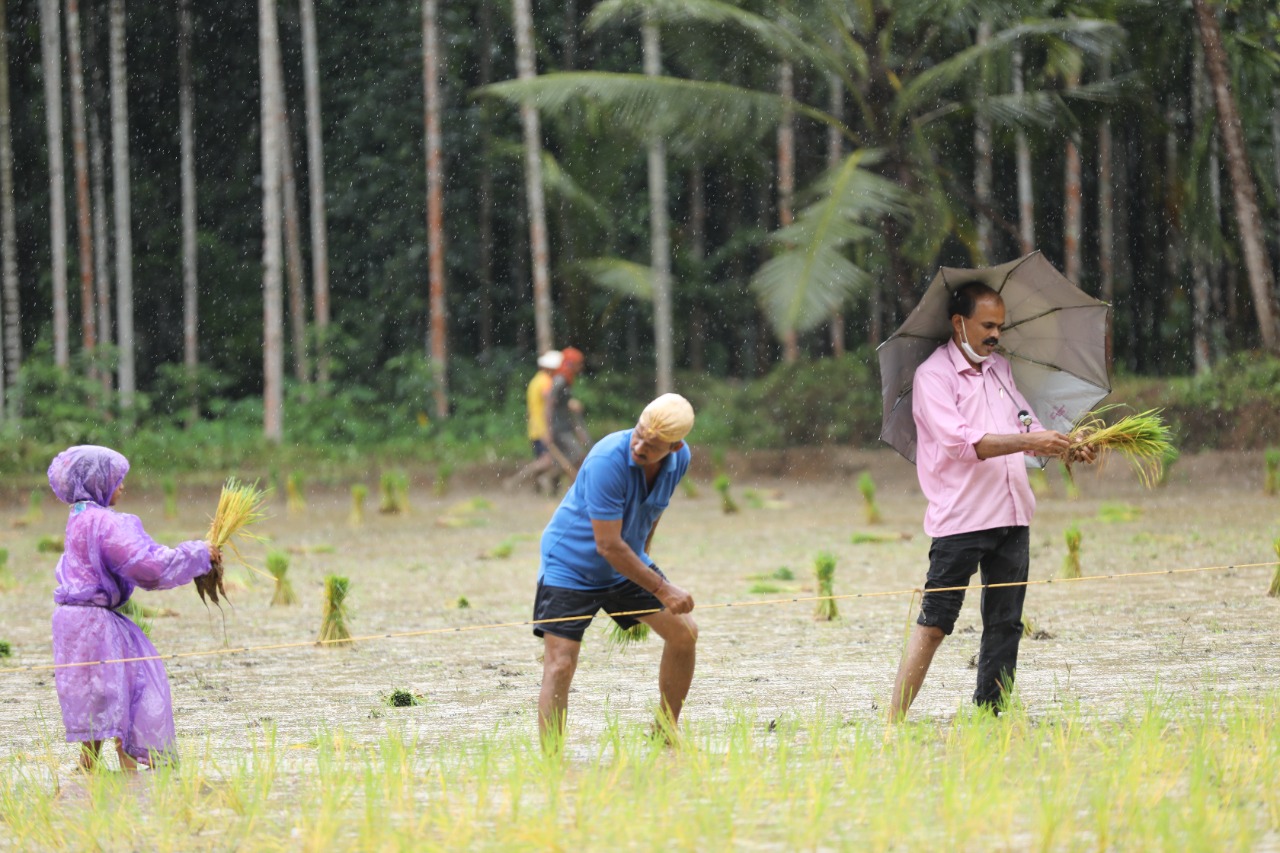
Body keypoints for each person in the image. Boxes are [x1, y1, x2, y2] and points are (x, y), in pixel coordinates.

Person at [888, 283, 1094, 721]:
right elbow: (964, 444)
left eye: (1000, 325)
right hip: (961, 520)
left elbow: (1027, 423)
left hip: (1013, 514)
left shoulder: (1000, 369)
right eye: (987, 325)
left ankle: (992, 714)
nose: (995, 334)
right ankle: (893, 721)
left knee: (1005, 624)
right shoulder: (933, 377)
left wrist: (1067, 445)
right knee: (935, 624)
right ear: (958, 323)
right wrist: (1028, 438)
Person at [533, 393, 697, 747]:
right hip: (571, 565)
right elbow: (607, 545)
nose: (639, 446)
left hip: (625, 562)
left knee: (684, 634)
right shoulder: (609, 458)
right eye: (638, 434)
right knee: (560, 664)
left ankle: (665, 732)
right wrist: (663, 589)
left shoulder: (680, 459)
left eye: (652, 445)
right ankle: (552, 763)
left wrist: (647, 563)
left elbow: (653, 512)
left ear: (675, 446)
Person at [48, 445, 221, 770]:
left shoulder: (79, 516)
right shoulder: (105, 523)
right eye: (116, 479)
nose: (123, 486)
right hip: (93, 621)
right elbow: (148, 567)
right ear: (98, 481)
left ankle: (88, 768)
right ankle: (129, 772)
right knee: (127, 686)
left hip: (70, 621)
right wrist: (199, 554)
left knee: (95, 693)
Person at [507, 350, 562, 493]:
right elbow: (548, 404)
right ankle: (516, 481)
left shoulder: (535, 381)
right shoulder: (546, 382)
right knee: (547, 461)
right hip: (542, 428)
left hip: (534, 427)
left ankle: (535, 488)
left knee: (542, 459)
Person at [545, 346, 591, 478]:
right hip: (558, 426)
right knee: (578, 455)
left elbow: (560, 403)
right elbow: (549, 403)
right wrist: (547, 429)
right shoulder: (559, 380)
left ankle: (554, 480)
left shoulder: (566, 380)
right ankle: (549, 478)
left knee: (573, 456)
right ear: (571, 363)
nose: (581, 367)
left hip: (565, 424)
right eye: (579, 364)